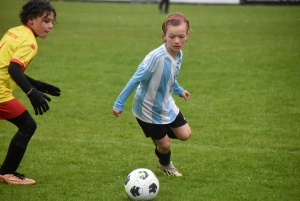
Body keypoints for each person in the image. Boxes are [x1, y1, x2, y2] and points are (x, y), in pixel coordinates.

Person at [113, 12, 192, 177]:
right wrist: (120, 103)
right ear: (164, 36)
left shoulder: (179, 54)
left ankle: (159, 136)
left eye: (181, 36)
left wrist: (179, 90)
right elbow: (136, 79)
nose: (177, 41)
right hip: (147, 108)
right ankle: (165, 164)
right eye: (172, 37)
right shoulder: (155, 57)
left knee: (185, 135)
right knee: (165, 145)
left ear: (187, 35)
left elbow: (170, 77)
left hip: (165, 103)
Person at [0, 0, 60, 185]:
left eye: (51, 21)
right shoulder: (30, 43)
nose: (50, 26)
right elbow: (13, 69)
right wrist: (32, 93)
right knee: (28, 126)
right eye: (45, 20)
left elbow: (8, 65)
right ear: (31, 19)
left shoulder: (15, 31)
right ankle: (7, 173)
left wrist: (37, 84)